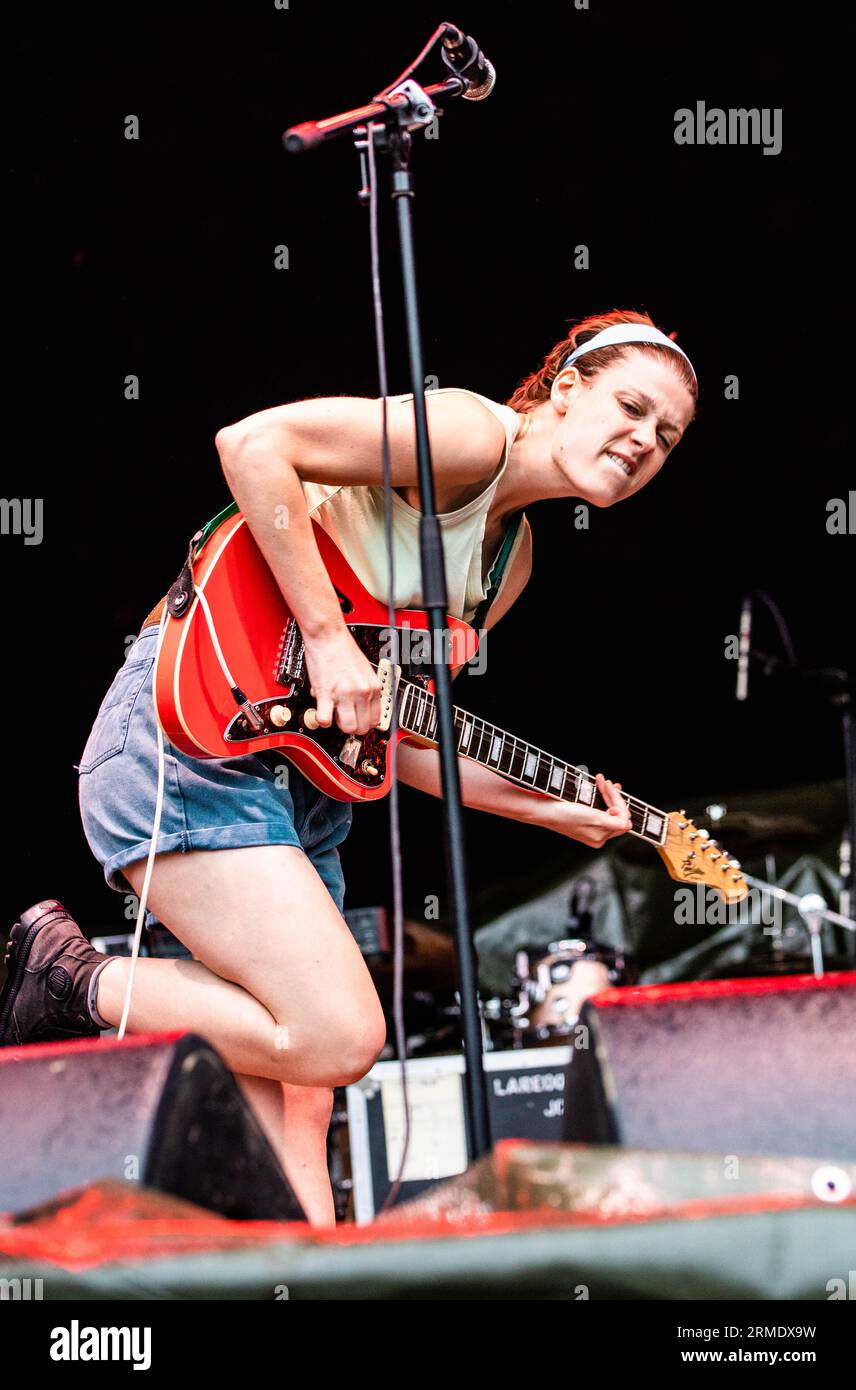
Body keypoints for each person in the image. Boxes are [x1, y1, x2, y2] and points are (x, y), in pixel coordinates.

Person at [0, 309, 697, 1225]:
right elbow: (253, 446)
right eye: (632, 407)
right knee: (339, 1035)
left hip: (303, 787)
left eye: (667, 435)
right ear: (565, 388)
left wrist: (553, 813)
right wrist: (327, 640)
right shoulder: (469, 434)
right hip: (196, 736)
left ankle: (306, 1283)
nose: (643, 440)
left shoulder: (509, 561)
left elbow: (397, 734)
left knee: (299, 1100)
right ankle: (71, 980)